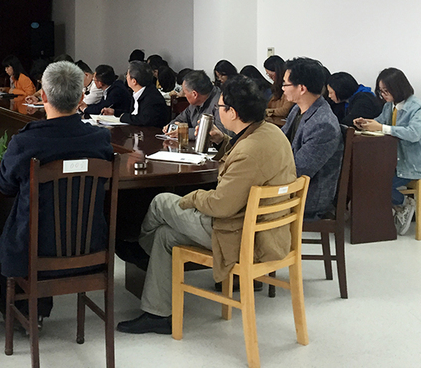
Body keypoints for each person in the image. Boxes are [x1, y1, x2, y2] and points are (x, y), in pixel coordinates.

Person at [116, 75, 297, 334]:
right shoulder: (271, 133)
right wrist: (222, 141)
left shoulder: (248, 151)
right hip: (266, 230)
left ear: (233, 112)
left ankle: (139, 250)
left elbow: (221, 206)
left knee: (161, 202)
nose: (218, 111)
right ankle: (158, 314)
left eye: (220, 107)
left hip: (241, 235)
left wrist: (192, 197)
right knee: (165, 236)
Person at [0, 61, 113, 324]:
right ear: (81, 98)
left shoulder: (25, 142)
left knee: (5, 241)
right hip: (91, 248)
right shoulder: (100, 140)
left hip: (31, 253)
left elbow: (5, 186)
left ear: (44, 96)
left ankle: (25, 313)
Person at [355, 68, 421, 235]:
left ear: (399, 88)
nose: (383, 95)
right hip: (398, 161)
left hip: (417, 162)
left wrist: (381, 127)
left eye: (386, 91)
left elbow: (413, 134)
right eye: (381, 91)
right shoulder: (390, 106)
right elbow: (380, 123)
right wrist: (366, 123)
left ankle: (404, 203)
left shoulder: (419, 108)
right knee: (367, 178)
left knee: (378, 183)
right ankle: (400, 205)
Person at [281, 58, 343, 220]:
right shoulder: (297, 109)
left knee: (244, 198)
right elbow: (280, 142)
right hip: (291, 181)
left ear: (302, 88)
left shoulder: (323, 124)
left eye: (285, 84)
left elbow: (299, 170)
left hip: (308, 195)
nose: (283, 89)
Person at [164, 70, 230, 139]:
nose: (185, 96)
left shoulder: (220, 103)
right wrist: (170, 127)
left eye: (185, 93)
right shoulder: (195, 103)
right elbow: (180, 119)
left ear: (194, 94)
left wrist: (185, 132)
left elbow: (221, 133)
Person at [101, 61, 169, 128]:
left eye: (127, 75)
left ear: (134, 81)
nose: (126, 77)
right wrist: (115, 112)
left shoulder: (152, 98)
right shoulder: (138, 92)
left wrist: (122, 117)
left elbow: (144, 120)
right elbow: (133, 113)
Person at [264, 55, 294, 127]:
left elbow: (285, 110)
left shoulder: (289, 87)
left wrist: (270, 111)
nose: (270, 78)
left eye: (271, 75)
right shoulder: (276, 86)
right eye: (268, 75)